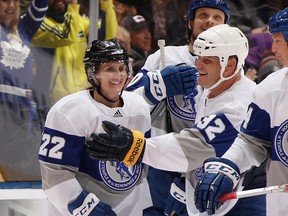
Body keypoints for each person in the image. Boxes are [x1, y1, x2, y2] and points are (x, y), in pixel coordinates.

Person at [86, 24, 267, 216]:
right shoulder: (212, 88)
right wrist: (184, 180)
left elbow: (194, 145)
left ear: (229, 65)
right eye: (198, 58)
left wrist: (135, 148)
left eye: (207, 61)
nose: (198, 65)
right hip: (213, 196)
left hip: (242, 203)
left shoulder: (240, 104)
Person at [38, 39, 196, 215]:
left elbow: (143, 164)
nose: (118, 75)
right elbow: (54, 172)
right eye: (110, 69)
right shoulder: (69, 111)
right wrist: (82, 206)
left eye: (121, 68)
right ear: (92, 73)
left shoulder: (139, 107)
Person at [125, 0, 230, 214]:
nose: (209, 20)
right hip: (160, 164)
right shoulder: (165, 57)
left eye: (217, 17)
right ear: (190, 22)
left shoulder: (231, 68)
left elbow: (234, 127)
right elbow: (125, 105)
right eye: (202, 15)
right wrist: (157, 87)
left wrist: (191, 181)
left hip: (205, 171)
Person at [192, 8, 288, 216]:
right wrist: (228, 167)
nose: (273, 48)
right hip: (281, 207)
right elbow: (252, 141)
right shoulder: (270, 88)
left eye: (278, 41)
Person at [0, 0, 48, 181]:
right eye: (5, 1)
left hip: (23, 110)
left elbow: (41, 5)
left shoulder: (24, 29)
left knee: (22, 174)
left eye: (15, 1)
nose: (10, 6)